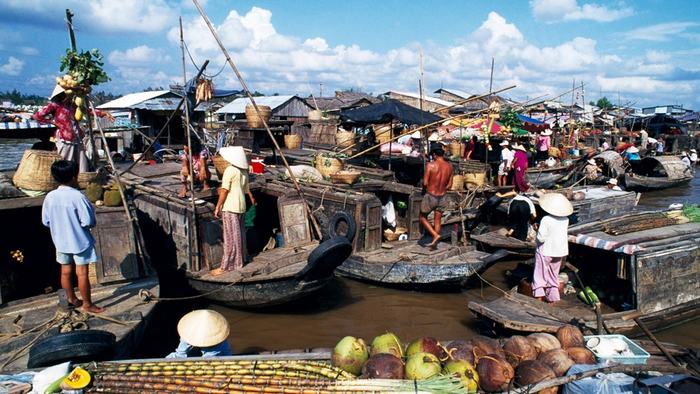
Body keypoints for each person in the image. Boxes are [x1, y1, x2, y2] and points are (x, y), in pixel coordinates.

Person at [41, 160, 104, 313]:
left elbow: (46, 221)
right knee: (82, 273)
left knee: (65, 271)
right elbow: (88, 221)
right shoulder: (78, 197)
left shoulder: (50, 196)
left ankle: (72, 299)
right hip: (79, 241)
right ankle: (87, 304)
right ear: (74, 177)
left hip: (60, 241)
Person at [33, 85, 113, 173]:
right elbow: (38, 116)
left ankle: (81, 179)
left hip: (77, 136)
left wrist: (103, 113)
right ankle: (65, 180)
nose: (71, 96)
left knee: (82, 162)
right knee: (66, 161)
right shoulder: (55, 104)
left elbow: (87, 111)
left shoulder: (73, 105)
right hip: (65, 137)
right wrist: (53, 122)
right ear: (62, 94)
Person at [212, 146, 255, 275]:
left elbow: (224, 190)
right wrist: (252, 198)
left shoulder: (230, 170)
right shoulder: (244, 171)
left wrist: (218, 206)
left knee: (230, 237)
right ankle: (240, 261)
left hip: (230, 207)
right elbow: (247, 190)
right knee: (239, 235)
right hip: (241, 206)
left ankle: (226, 266)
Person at [532, 193, 573, 303]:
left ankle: (538, 300)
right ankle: (553, 300)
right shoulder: (566, 219)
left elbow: (540, 238)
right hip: (559, 251)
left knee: (540, 275)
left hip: (546, 250)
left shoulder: (546, 219)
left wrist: (536, 230)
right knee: (553, 275)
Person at [420, 143, 453, 250]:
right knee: (437, 220)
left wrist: (425, 189)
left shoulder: (430, 165)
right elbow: (449, 185)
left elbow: (425, 183)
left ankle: (435, 235)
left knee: (422, 217)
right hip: (443, 196)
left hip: (431, 196)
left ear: (434, 155)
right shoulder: (449, 166)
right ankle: (434, 243)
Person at [166, 309, 232, 358]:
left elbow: (208, 359)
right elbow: (181, 354)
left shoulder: (218, 341)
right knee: (179, 355)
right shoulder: (187, 334)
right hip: (193, 352)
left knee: (212, 359)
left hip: (217, 354)